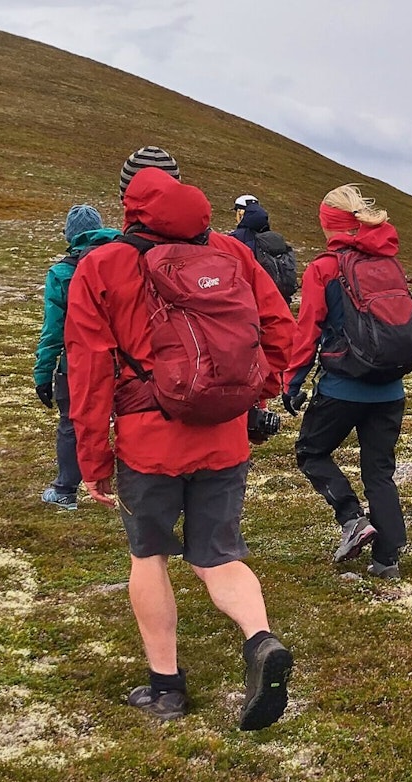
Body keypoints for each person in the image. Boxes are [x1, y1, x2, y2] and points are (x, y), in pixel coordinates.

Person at [64, 146, 297, 728]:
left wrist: (93, 460)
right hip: (223, 436)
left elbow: (87, 372)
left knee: (149, 556)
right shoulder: (232, 251)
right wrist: (254, 394)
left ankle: (166, 688)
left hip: (148, 444)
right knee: (219, 556)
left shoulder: (102, 265)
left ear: (127, 203)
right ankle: (260, 639)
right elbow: (280, 332)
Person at [282, 185, 409, 580]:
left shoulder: (324, 267)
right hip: (390, 387)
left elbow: (308, 329)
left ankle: (352, 519)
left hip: (343, 386)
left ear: (328, 224)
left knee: (311, 452)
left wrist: (292, 381)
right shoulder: (390, 263)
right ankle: (388, 559)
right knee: (379, 471)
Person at [33, 203, 119, 509]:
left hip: (78, 364)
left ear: (69, 236)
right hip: (127, 361)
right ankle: (137, 484)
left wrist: (43, 374)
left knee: (71, 423)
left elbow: (53, 331)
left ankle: (66, 490)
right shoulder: (124, 259)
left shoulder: (61, 273)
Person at [230, 198, 298, 307]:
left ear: (241, 213)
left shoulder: (237, 237)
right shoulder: (273, 237)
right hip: (279, 299)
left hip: (254, 301)